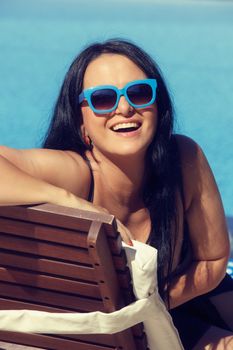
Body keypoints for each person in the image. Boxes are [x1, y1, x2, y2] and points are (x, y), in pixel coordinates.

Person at [0, 38, 232, 350]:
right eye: (103, 99)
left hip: (185, 296)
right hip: (113, 328)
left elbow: (213, 261)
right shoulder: (76, 172)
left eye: (139, 92)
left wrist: (151, 310)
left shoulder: (184, 158)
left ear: (158, 105)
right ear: (81, 120)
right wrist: (69, 201)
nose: (124, 107)